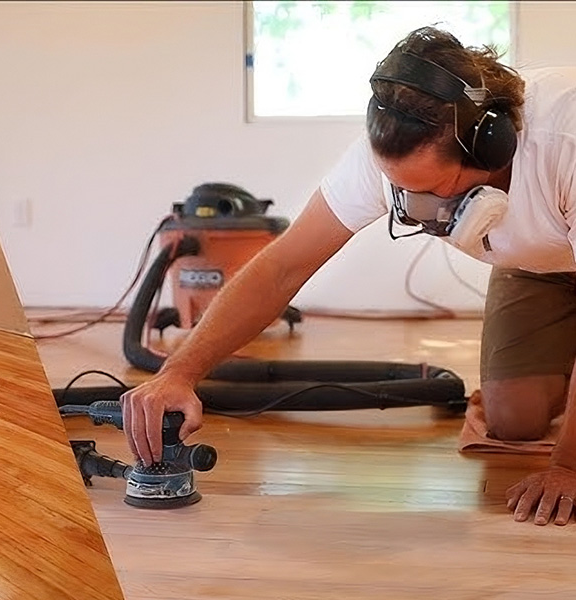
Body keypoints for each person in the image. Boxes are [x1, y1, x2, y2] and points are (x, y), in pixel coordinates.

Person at [120, 26, 576, 527]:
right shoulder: (388, 158)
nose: (423, 212)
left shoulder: (565, 138)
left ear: (495, 147)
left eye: (438, 191)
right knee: (515, 420)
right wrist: (177, 374)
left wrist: (568, 466)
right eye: (403, 191)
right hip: (539, 264)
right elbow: (281, 267)